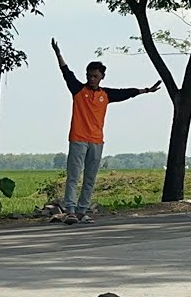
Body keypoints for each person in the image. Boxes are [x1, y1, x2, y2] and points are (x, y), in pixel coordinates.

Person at [52, 38, 160, 224]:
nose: (91, 79)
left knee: (90, 178)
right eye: (89, 75)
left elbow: (126, 93)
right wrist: (58, 53)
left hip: (96, 141)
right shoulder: (78, 90)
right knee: (74, 176)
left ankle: (81, 211)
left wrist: (146, 90)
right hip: (78, 139)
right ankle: (69, 210)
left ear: (102, 77)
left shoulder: (105, 95)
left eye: (95, 76)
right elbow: (66, 73)